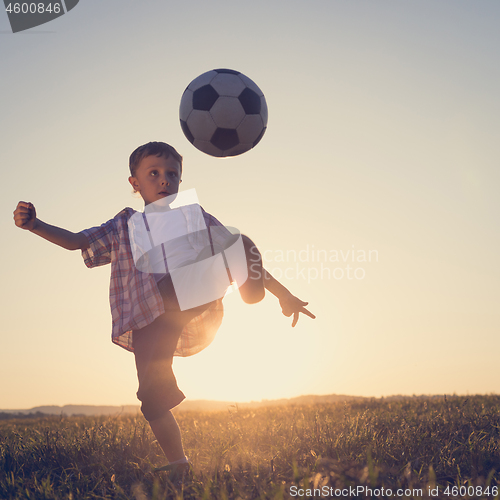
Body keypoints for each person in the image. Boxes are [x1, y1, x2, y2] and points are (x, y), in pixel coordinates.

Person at [13, 141, 315, 482]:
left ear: (180, 179)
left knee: (221, 250)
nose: (164, 180)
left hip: (186, 298)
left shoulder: (192, 215)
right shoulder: (124, 224)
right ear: (135, 183)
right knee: (151, 398)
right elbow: (77, 241)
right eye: (154, 173)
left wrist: (284, 294)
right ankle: (178, 463)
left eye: (172, 174)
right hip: (146, 320)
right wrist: (35, 225)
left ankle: (242, 279)